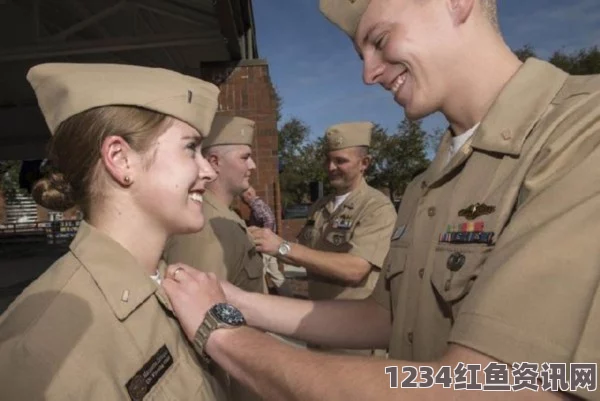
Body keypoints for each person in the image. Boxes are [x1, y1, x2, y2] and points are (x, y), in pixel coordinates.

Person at [161, 0, 600, 400]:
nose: (368, 74)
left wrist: (223, 335)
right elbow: (385, 317)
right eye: (361, 54)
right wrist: (233, 299)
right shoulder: (428, 185)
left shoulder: (581, 136)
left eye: (380, 40)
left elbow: (490, 384)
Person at [0, 63, 226, 400]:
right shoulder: (42, 349)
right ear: (121, 159)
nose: (208, 170)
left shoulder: (173, 286)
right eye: (190, 147)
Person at [249, 121, 396, 355]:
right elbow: (304, 253)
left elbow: (355, 268)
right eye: (328, 159)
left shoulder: (376, 207)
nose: (331, 167)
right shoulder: (321, 205)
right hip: (319, 327)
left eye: (341, 161)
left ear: (364, 163)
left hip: (354, 335)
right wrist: (260, 242)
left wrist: (283, 248)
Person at [163, 115, 265, 401]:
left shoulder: (225, 218)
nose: (252, 166)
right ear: (215, 161)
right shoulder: (205, 227)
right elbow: (197, 326)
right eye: (245, 157)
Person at [240, 186, 293, 297]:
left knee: (259, 275)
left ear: (248, 195)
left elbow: (269, 219)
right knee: (276, 275)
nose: (242, 200)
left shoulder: (257, 205)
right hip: (269, 247)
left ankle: (263, 299)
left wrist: (264, 236)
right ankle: (289, 297)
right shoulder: (260, 204)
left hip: (263, 247)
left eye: (242, 197)